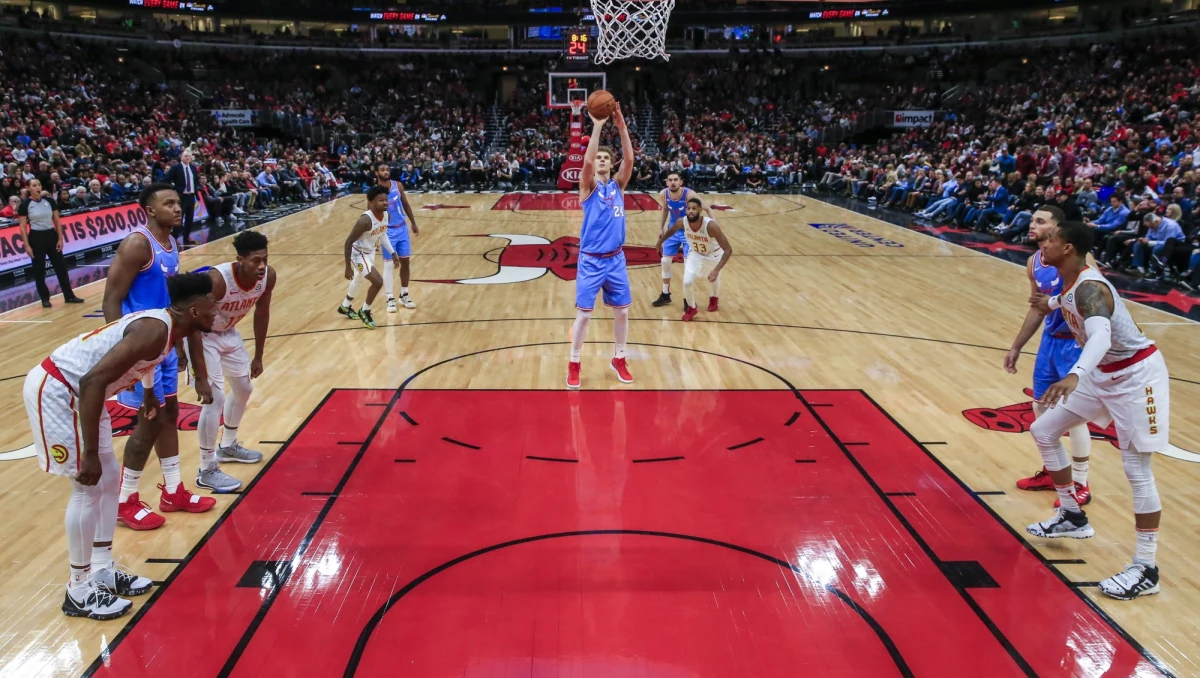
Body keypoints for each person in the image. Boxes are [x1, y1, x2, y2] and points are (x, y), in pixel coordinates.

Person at [22, 273, 216, 619]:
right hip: (60, 391)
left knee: (110, 479)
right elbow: (92, 379)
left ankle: (101, 569)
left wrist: (148, 391)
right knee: (88, 486)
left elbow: (137, 361)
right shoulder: (155, 329)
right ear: (195, 311)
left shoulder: (168, 329)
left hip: (85, 394)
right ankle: (79, 590)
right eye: (211, 305)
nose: (217, 310)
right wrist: (91, 453)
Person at [1027, 220, 1168, 600]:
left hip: (1137, 376)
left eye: (1052, 237)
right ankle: (1072, 516)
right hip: (1104, 374)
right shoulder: (1070, 281)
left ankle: (1146, 567)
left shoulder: (1091, 287)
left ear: (1069, 248)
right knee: (1043, 430)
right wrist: (1050, 303)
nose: (1044, 240)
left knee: (1137, 469)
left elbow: (1101, 334)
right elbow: (1067, 300)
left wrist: (1075, 374)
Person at [103, 184, 217, 530]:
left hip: (164, 345)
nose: (177, 208)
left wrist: (179, 347)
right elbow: (111, 299)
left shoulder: (170, 244)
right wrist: (125, 354)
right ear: (150, 210)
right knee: (148, 421)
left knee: (167, 415)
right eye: (168, 204)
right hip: (141, 348)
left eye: (178, 203)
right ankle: (125, 501)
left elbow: (170, 303)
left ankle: (172, 491)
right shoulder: (138, 244)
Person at [1004, 206, 1092, 505]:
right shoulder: (1034, 262)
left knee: (1073, 415)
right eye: (1032, 219)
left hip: (1075, 343)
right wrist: (1017, 345)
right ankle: (1053, 471)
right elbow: (1036, 308)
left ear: (1058, 230)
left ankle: (1080, 482)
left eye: (1040, 221)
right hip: (1050, 341)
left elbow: (1094, 299)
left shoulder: (1080, 260)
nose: (1033, 225)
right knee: (1041, 409)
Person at [187, 230, 274, 494]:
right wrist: (197, 372)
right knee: (214, 400)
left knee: (244, 389)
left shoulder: (268, 276)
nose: (261, 266)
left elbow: (263, 312)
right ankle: (206, 469)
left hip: (229, 333)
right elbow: (191, 319)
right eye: (255, 261)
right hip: (203, 335)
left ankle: (228, 445)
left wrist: (259, 354)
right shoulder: (219, 280)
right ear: (239, 260)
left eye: (265, 259)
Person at [566, 100, 636, 389]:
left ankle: (619, 358)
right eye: (601, 160)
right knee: (583, 316)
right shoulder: (588, 187)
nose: (603, 161)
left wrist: (621, 127)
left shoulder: (618, 186)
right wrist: (596, 127)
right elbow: (586, 162)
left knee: (622, 312)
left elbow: (629, 161)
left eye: (608, 158)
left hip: (616, 259)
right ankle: (574, 362)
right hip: (592, 260)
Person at [656, 197, 733, 321]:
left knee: (714, 278)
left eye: (694, 209)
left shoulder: (711, 225)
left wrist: (716, 270)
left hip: (713, 255)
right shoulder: (682, 222)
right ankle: (692, 308)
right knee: (687, 282)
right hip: (695, 254)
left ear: (700, 211)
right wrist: (660, 242)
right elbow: (671, 230)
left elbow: (728, 250)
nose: (691, 211)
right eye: (689, 208)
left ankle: (714, 298)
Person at [18, 179, 84, 308]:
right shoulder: (25, 204)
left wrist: (60, 238)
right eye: (34, 185)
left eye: (39, 184)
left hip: (51, 235)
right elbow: (22, 227)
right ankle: (44, 298)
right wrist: (27, 245)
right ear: (29, 188)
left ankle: (69, 295)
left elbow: (57, 221)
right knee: (39, 270)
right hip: (36, 237)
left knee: (61, 267)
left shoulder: (49, 201)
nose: (37, 187)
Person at [338, 185, 395, 329]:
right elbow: (348, 242)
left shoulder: (387, 215)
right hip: (358, 254)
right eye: (380, 200)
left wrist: (393, 253)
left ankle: (345, 306)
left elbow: (382, 235)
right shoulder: (365, 220)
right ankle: (365, 310)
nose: (385, 202)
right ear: (371, 202)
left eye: (386, 199)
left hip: (370, 252)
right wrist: (347, 267)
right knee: (377, 282)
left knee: (359, 279)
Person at [652, 172, 710, 308]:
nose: (672, 182)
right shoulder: (663, 194)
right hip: (673, 229)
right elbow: (665, 209)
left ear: (681, 182)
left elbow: (706, 207)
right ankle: (665, 294)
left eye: (675, 180)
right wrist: (661, 228)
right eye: (670, 180)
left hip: (688, 231)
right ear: (667, 182)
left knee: (687, 265)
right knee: (665, 260)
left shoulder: (689, 194)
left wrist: (713, 224)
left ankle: (687, 299)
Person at [373, 163, 420, 313]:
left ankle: (404, 294)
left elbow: (405, 204)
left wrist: (413, 222)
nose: (386, 172)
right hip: (387, 232)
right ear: (376, 173)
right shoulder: (374, 192)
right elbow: (371, 215)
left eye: (387, 169)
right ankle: (389, 298)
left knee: (405, 262)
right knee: (388, 265)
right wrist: (374, 238)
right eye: (382, 170)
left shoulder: (397, 185)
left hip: (402, 228)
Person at [166, 152, 200, 244]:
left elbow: (195, 180)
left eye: (189, 156)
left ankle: (187, 237)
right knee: (179, 218)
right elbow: (167, 179)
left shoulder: (193, 168)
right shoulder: (176, 167)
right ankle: (174, 238)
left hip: (191, 196)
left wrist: (197, 190)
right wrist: (174, 190)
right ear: (181, 157)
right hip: (181, 196)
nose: (187, 157)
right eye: (185, 156)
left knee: (190, 218)